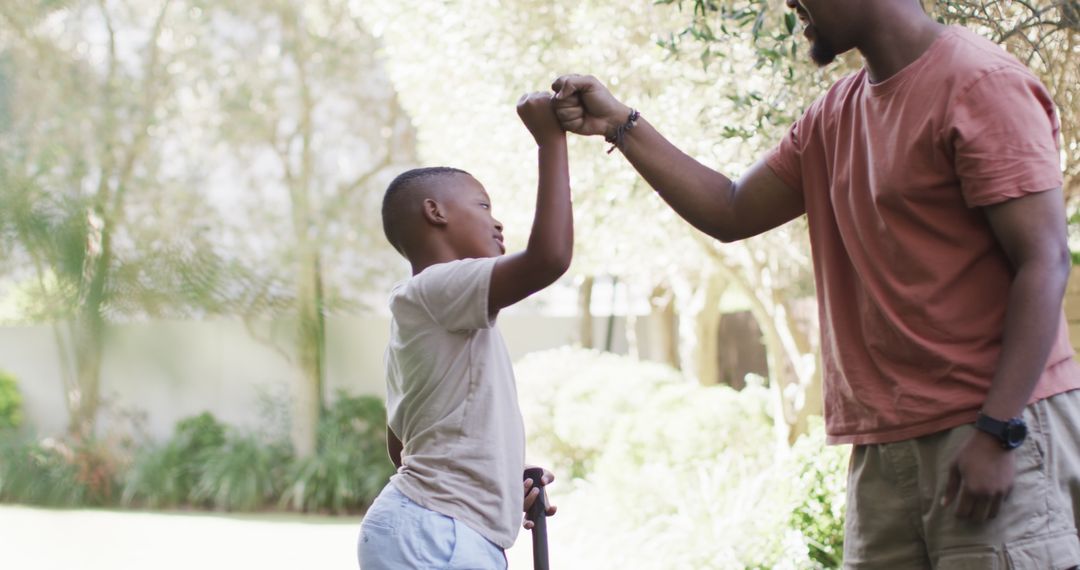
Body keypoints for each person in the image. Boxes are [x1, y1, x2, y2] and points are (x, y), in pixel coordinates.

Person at [551, 0, 1080, 567]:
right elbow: (731, 210)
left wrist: (999, 430)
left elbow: (1044, 260)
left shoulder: (981, 84)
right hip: (884, 446)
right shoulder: (835, 114)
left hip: (993, 425)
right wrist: (619, 124)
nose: (790, 2)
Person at [358, 92, 565, 569]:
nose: (497, 221)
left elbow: (406, 446)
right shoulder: (435, 289)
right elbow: (549, 258)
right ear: (436, 212)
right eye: (483, 205)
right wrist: (550, 141)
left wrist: (499, 483)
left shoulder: (427, 317)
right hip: (436, 533)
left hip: (435, 528)